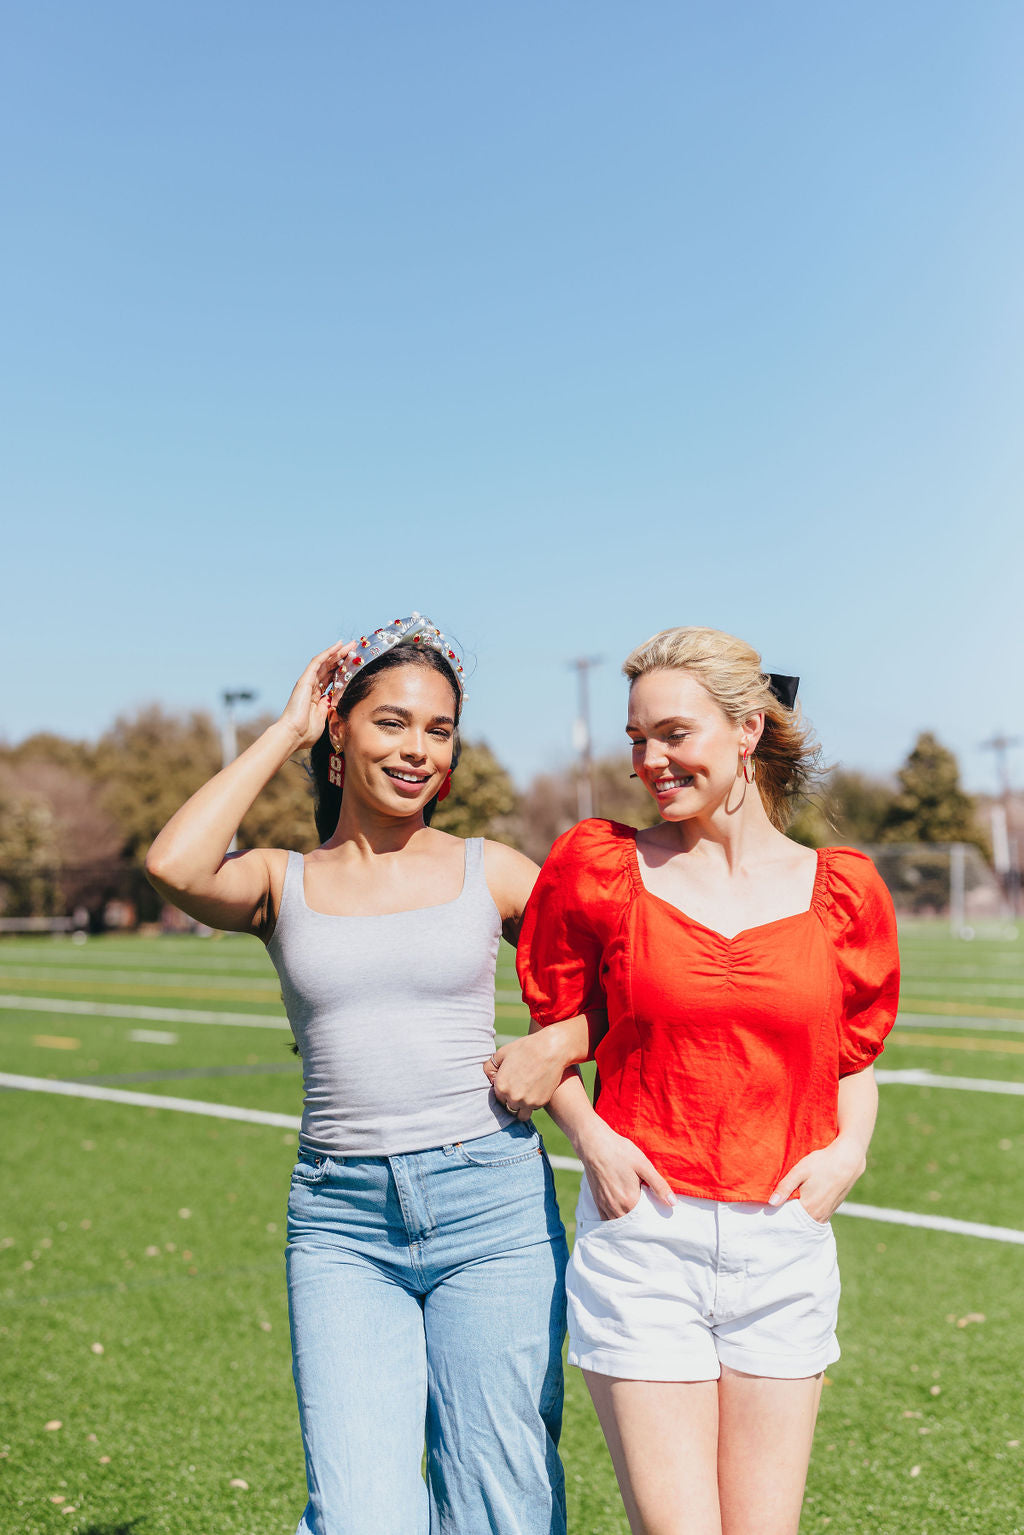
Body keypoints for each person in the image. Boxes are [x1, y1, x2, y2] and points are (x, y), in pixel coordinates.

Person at [145, 614, 568, 1535]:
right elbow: (172, 864)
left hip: (491, 1207)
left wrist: (560, 1045)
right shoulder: (277, 878)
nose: (417, 749)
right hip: (342, 1223)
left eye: (439, 729)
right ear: (341, 730)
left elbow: (620, 979)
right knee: (360, 1516)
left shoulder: (489, 870)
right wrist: (285, 728)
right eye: (391, 722)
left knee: (504, 1506)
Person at [487, 625, 900, 1535]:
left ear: (747, 729)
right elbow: (551, 1034)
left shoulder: (843, 890)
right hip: (646, 1239)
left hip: (783, 1243)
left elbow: (854, 1058)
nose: (650, 760)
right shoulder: (597, 867)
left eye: (673, 733)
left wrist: (850, 1155)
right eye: (637, 738)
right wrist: (593, 1139)